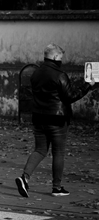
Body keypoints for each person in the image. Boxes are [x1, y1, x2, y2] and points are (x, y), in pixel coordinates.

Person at [15, 44, 95, 198]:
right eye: (60, 57)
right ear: (55, 57)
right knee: (58, 152)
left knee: (39, 150)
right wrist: (87, 86)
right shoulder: (60, 75)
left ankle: (24, 177)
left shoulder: (35, 73)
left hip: (39, 117)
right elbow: (70, 96)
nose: (61, 60)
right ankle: (56, 187)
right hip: (57, 119)